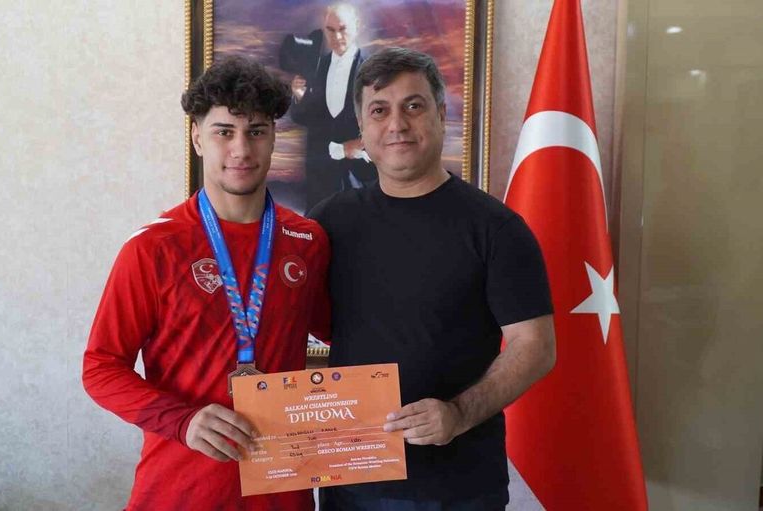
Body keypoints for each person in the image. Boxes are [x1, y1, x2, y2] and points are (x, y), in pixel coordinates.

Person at [310, 47, 557, 510]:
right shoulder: (327, 222)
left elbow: (536, 346)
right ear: (361, 127)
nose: (397, 124)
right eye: (379, 111)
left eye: (414, 106)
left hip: (457, 488)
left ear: (441, 115)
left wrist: (459, 413)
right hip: (351, 482)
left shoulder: (496, 228)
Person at [82, 56, 330, 511]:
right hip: (179, 492)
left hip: (283, 494)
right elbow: (100, 367)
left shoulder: (307, 240)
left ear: (274, 138)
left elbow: (346, 335)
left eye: (256, 131)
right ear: (197, 137)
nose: (241, 149)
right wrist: (183, 421)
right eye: (223, 132)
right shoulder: (153, 247)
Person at [290, 2, 376, 213]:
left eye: (343, 29)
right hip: (320, 179)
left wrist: (356, 146)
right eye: (330, 30)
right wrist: (300, 97)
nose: (336, 37)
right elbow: (305, 119)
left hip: (359, 180)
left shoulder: (374, 70)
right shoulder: (315, 67)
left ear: (357, 26)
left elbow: (383, 123)